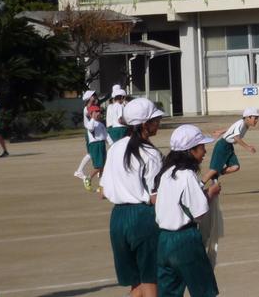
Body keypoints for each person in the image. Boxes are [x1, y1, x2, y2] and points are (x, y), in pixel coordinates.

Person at [101, 97, 164, 297]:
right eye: (155, 119)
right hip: (143, 218)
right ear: (145, 124)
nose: (158, 123)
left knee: (136, 285)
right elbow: (155, 196)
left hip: (118, 219)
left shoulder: (115, 149)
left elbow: (103, 191)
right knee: (151, 281)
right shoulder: (151, 153)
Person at [154, 124, 220, 297]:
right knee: (203, 292)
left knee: (168, 293)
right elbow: (200, 212)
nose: (205, 151)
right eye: (202, 147)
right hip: (185, 240)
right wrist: (210, 193)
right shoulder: (187, 175)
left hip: (163, 240)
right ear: (191, 150)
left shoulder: (166, 173)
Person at [205, 108, 258, 183]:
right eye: (255, 118)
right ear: (248, 117)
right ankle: (201, 184)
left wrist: (220, 131)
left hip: (229, 146)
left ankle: (216, 175)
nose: (256, 120)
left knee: (235, 167)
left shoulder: (245, 125)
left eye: (257, 118)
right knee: (214, 169)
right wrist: (248, 147)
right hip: (222, 145)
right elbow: (236, 137)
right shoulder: (241, 123)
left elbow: (231, 128)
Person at [74, 90, 100, 183]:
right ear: (90, 98)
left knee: (93, 153)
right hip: (90, 133)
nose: (96, 97)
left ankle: (98, 169)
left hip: (94, 133)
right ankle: (79, 171)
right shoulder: (87, 108)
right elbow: (93, 121)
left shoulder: (92, 107)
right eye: (94, 95)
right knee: (91, 153)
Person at [84, 103, 108, 192]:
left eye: (99, 111)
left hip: (101, 144)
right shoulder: (90, 123)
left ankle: (101, 186)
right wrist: (93, 119)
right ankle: (88, 178)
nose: (98, 113)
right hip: (95, 145)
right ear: (91, 114)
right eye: (96, 112)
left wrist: (112, 144)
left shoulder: (101, 124)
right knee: (99, 166)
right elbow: (90, 128)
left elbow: (106, 135)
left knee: (103, 166)